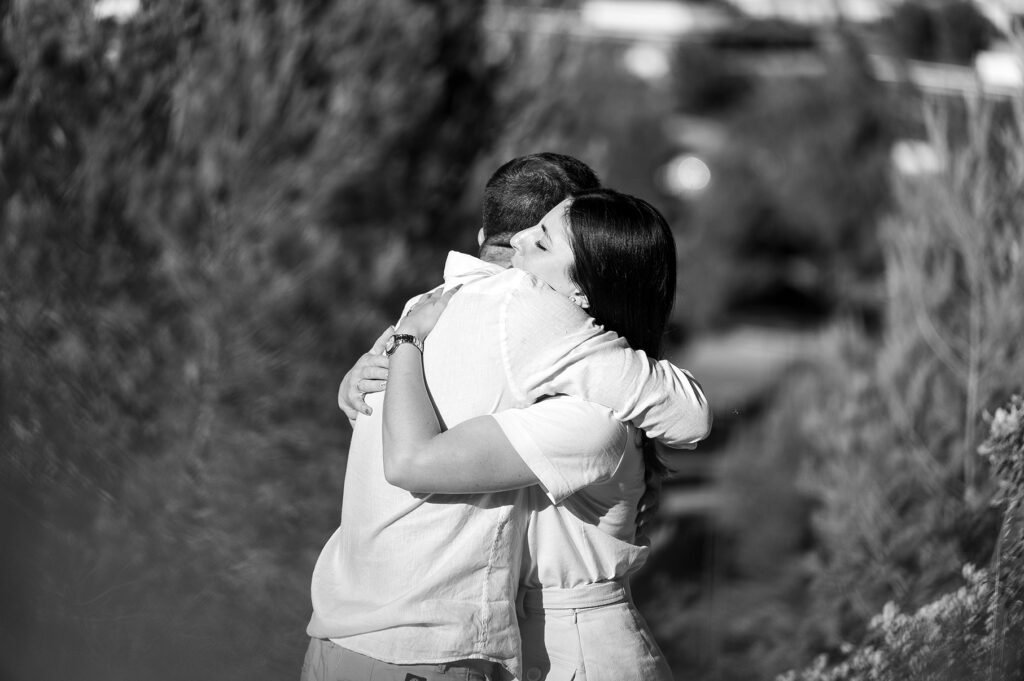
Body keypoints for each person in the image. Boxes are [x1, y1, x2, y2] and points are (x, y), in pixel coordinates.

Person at [303, 154, 710, 681]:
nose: (521, 246)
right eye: (529, 234)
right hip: (424, 648)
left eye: (542, 239)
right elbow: (687, 415)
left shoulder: (426, 306)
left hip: (341, 635)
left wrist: (387, 353)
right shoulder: (521, 308)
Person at [381, 189, 683, 680]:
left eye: (542, 244)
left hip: (581, 654)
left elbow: (413, 461)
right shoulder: (577, 380)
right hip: (549, 638)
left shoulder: (588, 418)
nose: (517, 240)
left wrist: (408, 342)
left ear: (580, 293)